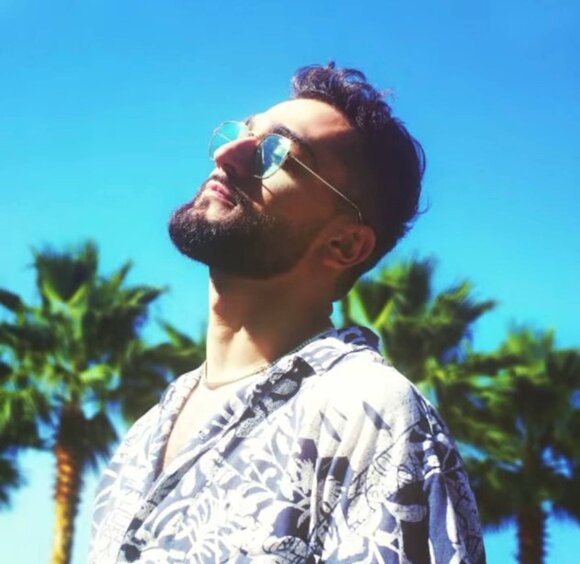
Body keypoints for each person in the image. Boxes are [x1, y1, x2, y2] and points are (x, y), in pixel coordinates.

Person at [90, 63, 485, 563]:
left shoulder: (371, 414)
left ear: (344, 243)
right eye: (242, 132)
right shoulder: (143, 436)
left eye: (275, 152)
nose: (226, 153)